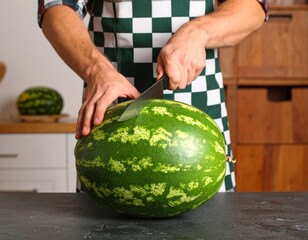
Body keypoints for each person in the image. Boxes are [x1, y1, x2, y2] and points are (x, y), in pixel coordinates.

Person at [37, 0, 269, 192]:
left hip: (202, 123)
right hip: (115, 120)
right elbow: (55, 6)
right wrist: (96, 69)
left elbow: (254, 7)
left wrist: (199, 31)